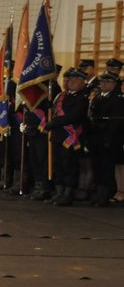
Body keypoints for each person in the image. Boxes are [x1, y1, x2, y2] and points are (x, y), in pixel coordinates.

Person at [43, 68, 90, 206]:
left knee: (69, 166)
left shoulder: (82, 99)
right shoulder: (61, 96)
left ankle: (67, 194)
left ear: (82, 83)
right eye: (70, 79)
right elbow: (55, 112)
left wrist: (53, 123)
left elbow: (73, 116)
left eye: (75, 80)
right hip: (58, 136)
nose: (71, 82)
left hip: (70, 138)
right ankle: (59, 192)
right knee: (58, 166)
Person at [86, 72, 124, 206]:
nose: (103, 84)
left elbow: (115, 123)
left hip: (109, 140)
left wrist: (108, 139)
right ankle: (97, 195)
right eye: (102, 82)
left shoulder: (117, 99)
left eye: (107, 82)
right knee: (97, 167)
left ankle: (104, 196)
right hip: (96, 138)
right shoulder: (97, 97)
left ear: (114, 84)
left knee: (106, 169)